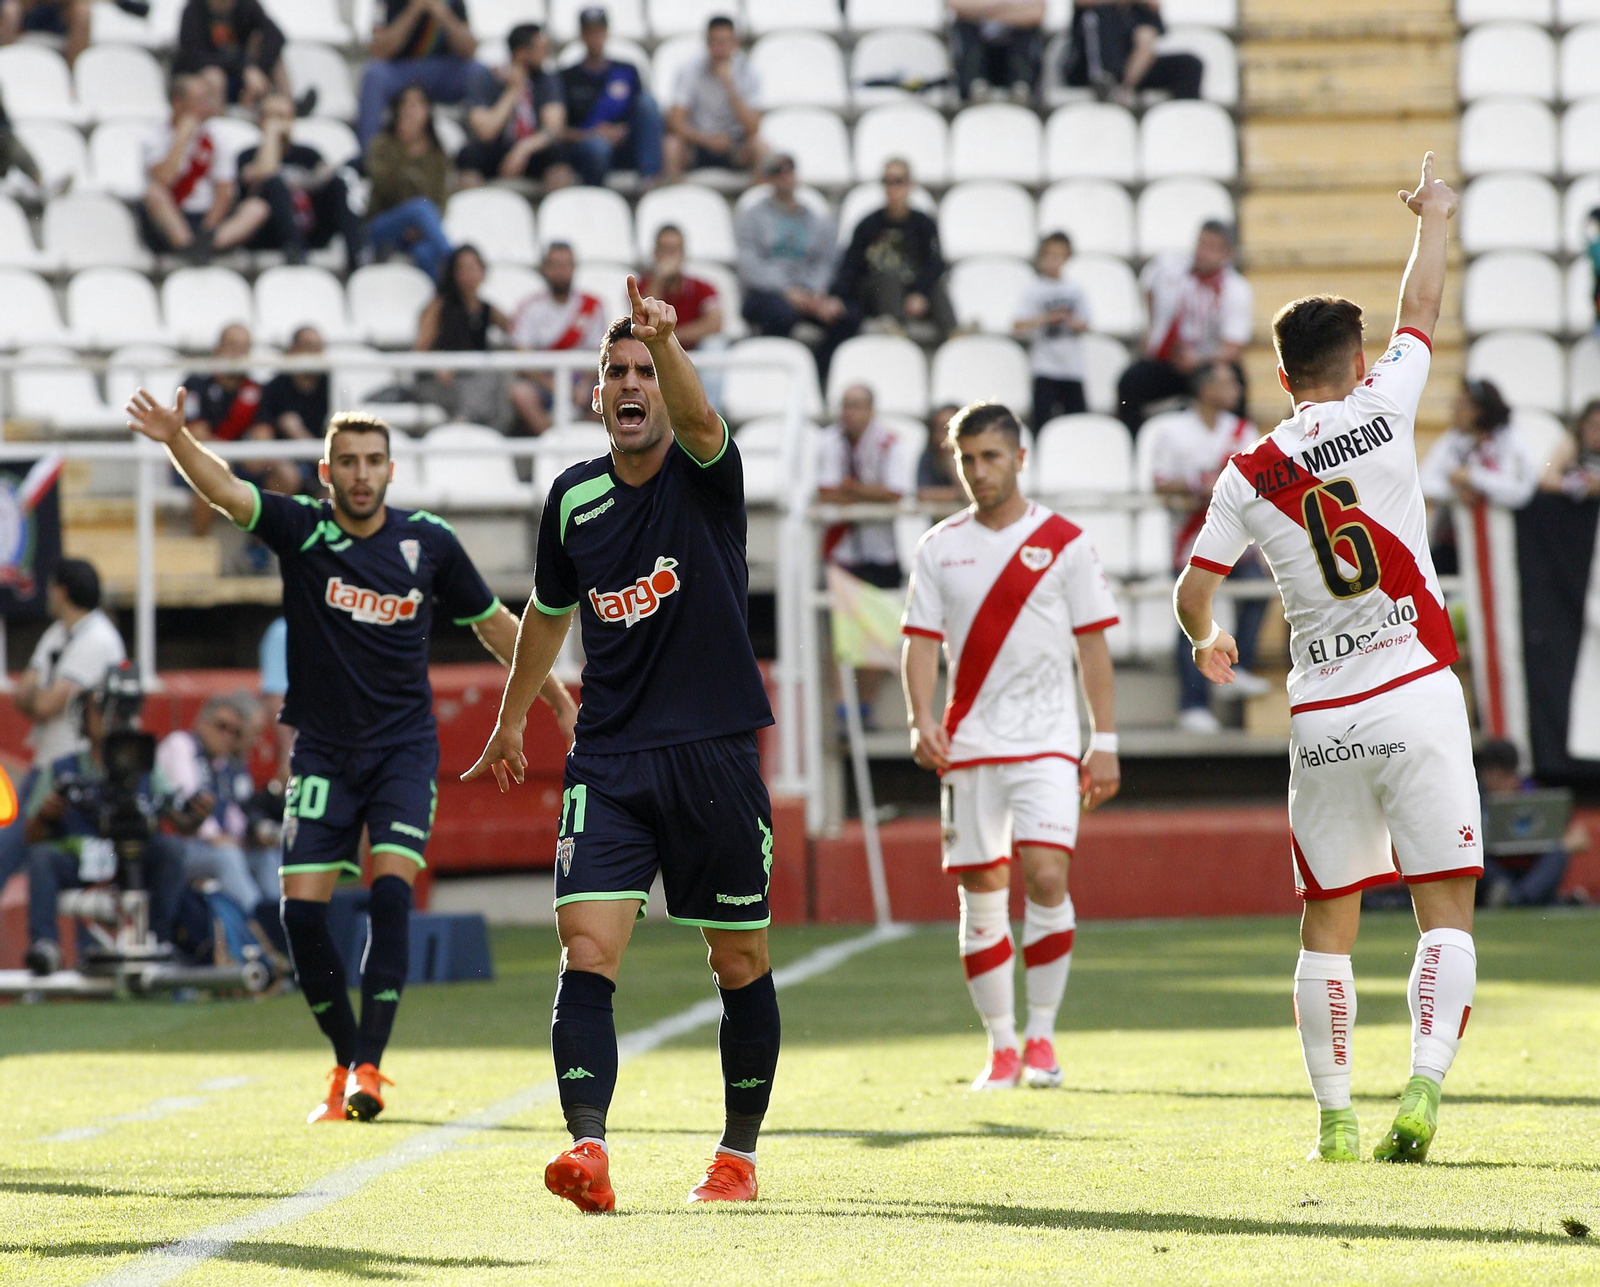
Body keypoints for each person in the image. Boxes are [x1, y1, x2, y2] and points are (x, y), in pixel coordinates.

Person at [125, 395, 578, 1125]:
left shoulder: (429, 542)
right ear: (325, 471)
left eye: (373, 461)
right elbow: (226, 490)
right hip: (324, 754)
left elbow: (496, 622)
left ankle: (370, 1064)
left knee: (392, 894)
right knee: (299, 916)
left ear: (391, 469)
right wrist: (178, 439)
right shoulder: (303, 529)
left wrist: (552, 699)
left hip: (403, 749)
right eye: (348, 462)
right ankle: (345, 1058)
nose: (361, 475)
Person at [1175, 153, 1480, 1165]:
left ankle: (1335, 1119)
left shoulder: (1243, 473)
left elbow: (1193, 592)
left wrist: (1207, 640)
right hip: (1418, 693)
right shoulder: (1386, 408)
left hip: (1326, 717)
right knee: (1444, 912)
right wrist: (1431, 215)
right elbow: (1422, 307)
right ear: (1355, 361)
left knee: (1326, 926)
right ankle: (1424, 1088)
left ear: (1278, 376)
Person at [464, 276, 780, 1210]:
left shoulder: (706, 471)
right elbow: (547, 616)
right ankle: (590, 1151)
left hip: (716, 752)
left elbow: (701, 415)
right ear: (595, 395)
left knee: (738, 963)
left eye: (645, 368)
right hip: (609, 756)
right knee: (586, 952)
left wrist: (670, 343)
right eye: (617, 370)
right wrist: (514, 713)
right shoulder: (571, 501)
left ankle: (737, 1156)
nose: (633, 381)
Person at [901, 400, 1121, 1091]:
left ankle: (1043, 1035)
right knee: (981, 890)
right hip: (968, 743)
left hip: (1049, 742)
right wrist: (919, 716)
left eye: (990, 456)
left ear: (1019, 459)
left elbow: (1093, 647)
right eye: (966, 458)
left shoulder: (1066, 541)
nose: (977, 471)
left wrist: (1104, 739)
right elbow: (920, 643)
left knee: (1048, 876)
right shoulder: (939, 545)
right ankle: (1000, 1045)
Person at [20, 667, 194, 976]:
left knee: (171, 851)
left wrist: (194, 814)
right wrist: (48, 814)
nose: (109, 718)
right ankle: (46, 948)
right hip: (81, 859)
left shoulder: (144, 764)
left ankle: (159, 939)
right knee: (42, 857)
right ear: (83, 716)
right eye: (100, 710)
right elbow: (31, 835)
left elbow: (180, 818)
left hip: (132, 858)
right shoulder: (63, 767)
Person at [1147, 361, 1269, 732]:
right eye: (1226, 380)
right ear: (1204, 388)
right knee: (1193, 619)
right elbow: (1160, 483)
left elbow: (1256, 482)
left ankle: (1240, 666)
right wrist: (1198, 487)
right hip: (1191, 539)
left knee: (1257, 594)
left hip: (1236, 536)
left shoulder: (1242, 429)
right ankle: (1193, 705)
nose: (1235, 387)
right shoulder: (1172, 430)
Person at [0, 559, 125, 901]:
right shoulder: (60, 632)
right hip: (50, 760)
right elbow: (25, 696)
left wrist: (37, 699)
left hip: (77, 766)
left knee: (28, 850)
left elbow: (39, 703)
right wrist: (38, 699)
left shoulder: (98, 638)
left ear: (62, 590)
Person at [1118, 220, 1252, 434]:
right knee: (1131, 381)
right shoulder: (1172, 268)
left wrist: (1199, 359)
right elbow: (1148, 290)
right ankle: (1137, 442)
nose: (1202, 253)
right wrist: (1153, 328)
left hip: (1206, 363)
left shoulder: (1235, 289)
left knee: (1235, 382)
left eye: (1212, 247)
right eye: (1201, 244)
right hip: (1168, 360)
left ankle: (1239, 444)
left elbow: (1233, 347)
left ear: (1226, 253)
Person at [156, 694, 277, 918]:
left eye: (235, 731)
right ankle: (258, 925)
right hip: (179, 847)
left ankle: (279, 920)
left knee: (266, 857)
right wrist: (219, 838)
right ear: (203, 722)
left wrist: (252, 838)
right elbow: (189, 799)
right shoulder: (181, 744)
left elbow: (235, 815)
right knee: (227, 856)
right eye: (222, 727)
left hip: (214, 848)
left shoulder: (222, 763)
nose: (228, 736)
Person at [735, 154, 852, 380]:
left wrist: (816, 293)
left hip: (808, 292)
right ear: (769, 179)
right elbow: (749, 265)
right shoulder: (752, 216)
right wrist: (787, 291)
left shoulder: (816, 220)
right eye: (778, 172)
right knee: (780, 314)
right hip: (767, 292)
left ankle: (819, 373)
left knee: (847, 317)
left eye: (789, 171)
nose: (785, 177)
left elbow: (826, 261)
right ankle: (772, 374)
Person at [414, 243, 544, 435]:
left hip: (475, 379)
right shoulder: (439, 307)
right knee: (487, 381)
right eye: (463, 268)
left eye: (473, 267)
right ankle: (465, 424)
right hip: (441, 382)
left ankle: (492, 434)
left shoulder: (487, 309)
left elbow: (514, 331)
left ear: (483, 272)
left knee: (500, 379)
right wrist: (437, 367)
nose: (469, 274)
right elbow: (420, 350)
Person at [141, 74, 273, 259]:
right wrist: (181, 139)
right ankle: (186, 245)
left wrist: (207, 229)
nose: (206, 106)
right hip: (173, 217)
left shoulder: (215, 136)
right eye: (199, 100)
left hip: (206, 219)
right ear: (178, 103)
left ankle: (204, 246)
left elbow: (224, 191)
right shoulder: (154, 135)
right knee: (153, 194)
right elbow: (163, 180)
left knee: (257, 208)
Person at [832, 158, 955, 344]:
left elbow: (935, 263)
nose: (892, 188)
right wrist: (839, 297)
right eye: (887, 181)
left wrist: (919, 293)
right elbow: (851, 265)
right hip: (876, 292)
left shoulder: (924, 223)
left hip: (913, 290)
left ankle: (954, 334)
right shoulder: (868, 225)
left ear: (910, 185)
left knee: (937, 289)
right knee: (889, 279)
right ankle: (895, 330)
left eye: (898, 181)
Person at [238, 94, 362, 269]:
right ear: (261, 120)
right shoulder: (247, 155)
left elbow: (327, 176)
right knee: (274, 184)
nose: (280, 123)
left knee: (339, 184)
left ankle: (357, 255)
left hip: (309, 224)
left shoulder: (307, 153)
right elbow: (262, 175)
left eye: (285, 116)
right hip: (269, 233)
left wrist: (307, 181)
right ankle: (297, 252)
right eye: (273, 116)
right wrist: (271, 136)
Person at [356, 0, 495, 147]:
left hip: (446, 72)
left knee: (478, 71)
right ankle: (369, 157)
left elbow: (469, 51)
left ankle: (482, 154)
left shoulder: (453, 2)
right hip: (399, 72)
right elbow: (378, 52)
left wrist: (442, 12)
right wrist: (414, 10)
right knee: (373, 75)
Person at [458, 23, 575, 190]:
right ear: (521, 53)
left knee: (559, 154)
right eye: (541, 49)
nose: (546, 55)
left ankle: (559, 212)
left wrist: (522, 149)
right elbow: (485, 132)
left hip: (532, 149)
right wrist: (513, 90)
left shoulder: (547, 79)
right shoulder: (486, 77)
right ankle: (474, 211)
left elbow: (554, 128)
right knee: (469, 156)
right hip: (497, 148)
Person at [1474, 740, 1587, 908]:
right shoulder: (1474, 800)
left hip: (1530, 870)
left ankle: (1517, 899)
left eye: (1505, 776)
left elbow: (1580, 838)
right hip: (1495, 873)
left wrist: (1565, 843)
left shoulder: (1534, 796)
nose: (1501, 783)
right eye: (1494, 776)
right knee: (1474, 855)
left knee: (1557, 853)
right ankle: (1528, 898)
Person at [559, 8, 663, 187]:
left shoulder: (627, 70)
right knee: (598, 148)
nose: (595, 38)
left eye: (599, 31)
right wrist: (593, 134)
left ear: (607, 33)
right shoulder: (566, 77)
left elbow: (642, 115)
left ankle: (648, 180)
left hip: (624, 144)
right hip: (587, 147)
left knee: (648, 102)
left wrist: (622, 130)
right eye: (589, 32)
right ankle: (595, 197)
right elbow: (559, 130)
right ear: (581, 36)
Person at [512, 241, 608, 433]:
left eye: (566, 265)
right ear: (545, 269)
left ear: (574, 268)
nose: (561, 271)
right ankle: (551, 441)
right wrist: (555, 386)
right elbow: (522, 358)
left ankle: (585, 443)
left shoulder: (593, 305)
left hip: (584, 383)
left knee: (609, 391)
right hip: (543, 383)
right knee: (520, 393)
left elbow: (601, 354)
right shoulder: (529, 306)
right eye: (555, 265)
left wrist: (585, 384)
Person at [364, 83, 454, 280]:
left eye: (418, 104)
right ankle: (456, 262)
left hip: (419, 231)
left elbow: (441, 199)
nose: (411, 109)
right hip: (383, 224)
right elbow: (383, 188)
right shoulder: (381, 145)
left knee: (426, 253)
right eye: (406, 103)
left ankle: (442, 302)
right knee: (419, 209)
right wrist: (404, 151)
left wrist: (421, 226)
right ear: (397, 110)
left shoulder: (437, 153)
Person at [664, 14, 764, 179]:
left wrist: (729, 86)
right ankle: (676, 199)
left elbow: (753, 126)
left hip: (734, 145)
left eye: (725, 42)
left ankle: (754, 200)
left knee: (760, 147)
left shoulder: (750, 72)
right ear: (707, 43)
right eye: (715, 42)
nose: (720, 48)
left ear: (735, 43)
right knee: (671, 145)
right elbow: (675, 121)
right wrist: (708, 140)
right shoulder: (689, 70)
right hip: (697, 143)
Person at [1420, 379, 1540, 511]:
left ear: (1480, 410)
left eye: (1462, 405)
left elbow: (1520, 491)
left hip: (1504, 522)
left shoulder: (1510, 440)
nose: (1455, 410)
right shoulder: (1452, 440)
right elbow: (1424, 482)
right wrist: (1455, 493)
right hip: (1458, 524)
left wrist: (1472, 477)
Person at [1012, 231, 1091, 428]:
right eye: (1049, 255)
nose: (1053, 261)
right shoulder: (1033, 289)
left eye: (1059, 256)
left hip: (1072, 368)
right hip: (1044, 367)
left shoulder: (1075, 289)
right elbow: (1017, 325)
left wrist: (1069, 321)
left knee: (1077, 424)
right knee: (1042, 424)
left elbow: (1086, 323)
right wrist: (1047, 319)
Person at [1062, 0, 1203, 103]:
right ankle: (1107, 82)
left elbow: (1150, 36)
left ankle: (1183, 118)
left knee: (1190, 65)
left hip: (1130, 69)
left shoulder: (1142, 9)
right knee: (1099, 18)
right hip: (1088, 67)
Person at [173, 0, 296, 111]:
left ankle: (288, 107)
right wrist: (245, 68)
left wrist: (259, 69)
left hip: (243, 81)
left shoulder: (246, 6)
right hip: (210, 80)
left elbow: (276, 36)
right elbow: (195, 56)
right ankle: (217, 122)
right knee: (214, 76)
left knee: (276, 60)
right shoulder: (193, 10)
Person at [253, 325, 329, 493]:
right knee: (288, 475)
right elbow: (265, 435)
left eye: (318, 348)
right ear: (292, 350)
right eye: (308, 347)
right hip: (281, 462)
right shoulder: (277, 386)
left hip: (319, 460)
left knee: (338, 476)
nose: (313, 354)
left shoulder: (330, 385)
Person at [640, 225, 723, 352]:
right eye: (665, 249)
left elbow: (715, 323)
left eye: (674, 250)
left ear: (683, 254)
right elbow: (646, 323)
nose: (670, 256)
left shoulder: (702, 288)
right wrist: (659, 278)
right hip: (656, 352)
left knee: (715, 344)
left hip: (693, 351)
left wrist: (671, 336)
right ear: (655, 253)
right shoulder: (639, 287)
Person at [948, 0, 1044, 102]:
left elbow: (1037, 12)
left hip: (1012, 53)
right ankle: (976, 86)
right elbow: (956, 6)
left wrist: (981, 11)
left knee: (1026, 32)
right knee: (966, 28)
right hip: (979, 51)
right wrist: (1010, 10)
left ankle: (1020, 86)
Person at [0, 0, 90, 67]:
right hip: (26, 13)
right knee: (10, 11)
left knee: (83, 13)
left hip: (59, 14)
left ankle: (74, 75)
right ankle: (4, 67)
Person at [1541, 399, 1600, 499]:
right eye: (1593, 426)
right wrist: (1573, 485)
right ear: (1582, 424)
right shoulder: (1572, 445)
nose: (1597, 435)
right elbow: (1547, 479)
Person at [917, 403, 964, 503]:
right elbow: (923, 494)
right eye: (938, 428)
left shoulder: (974, 455)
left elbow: (971, 494)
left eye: (949, 429)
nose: (942, 436)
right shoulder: (930, 456)